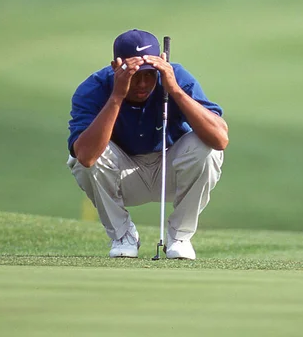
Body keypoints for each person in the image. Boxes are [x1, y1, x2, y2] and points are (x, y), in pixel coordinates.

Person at [67, 29, 229, 259]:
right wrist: (117, 96)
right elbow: (86, 157)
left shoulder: (176, 76)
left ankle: (179, 237)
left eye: (149, 74)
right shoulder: (94, 88)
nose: (143, 83)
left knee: (207, 149)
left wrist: (174, 89)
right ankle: (122, 236)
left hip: (170, 171)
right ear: (116, 67)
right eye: (135, 74)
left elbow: (220, 139)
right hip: (122, 175)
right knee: (80, 157)